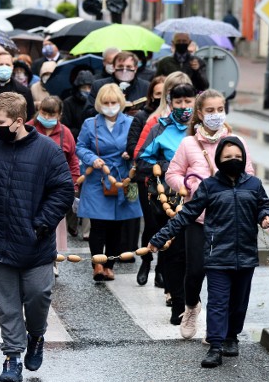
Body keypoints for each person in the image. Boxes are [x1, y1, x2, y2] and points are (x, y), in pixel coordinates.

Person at [148, 136, 269, 368]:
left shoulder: (254, 184)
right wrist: (160, 237)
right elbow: (187, 214)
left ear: (244, 158)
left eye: (237, 156)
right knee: (217, 302)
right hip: (217, 255)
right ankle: (215, 346)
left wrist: (266, 217)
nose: (233, 160)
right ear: (218, 160)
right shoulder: (209, 186)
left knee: (239, 302)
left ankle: (231, 337)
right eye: (228, 157)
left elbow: (264, 206)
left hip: (246, 255)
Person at [0, 92, 73, 382]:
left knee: (38, 296)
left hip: (35, 242)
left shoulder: (48, 150)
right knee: (6, 305)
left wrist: (41, 224)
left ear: (19, 121)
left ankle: (36, 336)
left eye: (0, 122)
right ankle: (12, 358)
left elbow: (63, 192)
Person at [164, 89, 255, 339]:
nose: (216, 115)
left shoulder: (236, 142)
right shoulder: (188, 144)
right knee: (194, 271)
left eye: (219, 109)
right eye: (210, 110)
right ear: (200, 113)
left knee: (224, 277)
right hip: (199, 219)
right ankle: (192, 307)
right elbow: (172, 174)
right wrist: (186, 187)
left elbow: (250, 176)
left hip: (228, 221)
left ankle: (217, 328)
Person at [136, 83, 197, 324]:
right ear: (170, 103)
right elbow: (141, 162)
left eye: (188, 101)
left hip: (198, 202)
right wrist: (163, 165)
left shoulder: (203, 129)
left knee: (195, 256)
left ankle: (193, 300)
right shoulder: (160, 128)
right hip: (167, 200)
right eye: (178, 102)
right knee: (173, 254)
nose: (183, 106)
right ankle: (178, 305)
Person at [76, 83, 142, 281]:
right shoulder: (90, 123)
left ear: (120, 103)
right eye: (106, 102)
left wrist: (130, 153)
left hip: (123, 177)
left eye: (114, 102)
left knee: (117, 225)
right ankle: (97, 263)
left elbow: (139, 147)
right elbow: (80, 146)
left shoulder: (131, 122)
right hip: (98, 177)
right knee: (98, 224)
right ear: (99, 103)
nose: (110, 105)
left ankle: (110, 265)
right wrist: (91, 158)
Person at [26, 96, 80, 276]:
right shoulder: (28, 128)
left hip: (55, 188)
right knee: (30, 222)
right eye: (44, 112)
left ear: (59, 115)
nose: (47, 117)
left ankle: (52, 260)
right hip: (31, 185)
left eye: (52, 114)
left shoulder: (65, 133)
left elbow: (72, 160)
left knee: (53, 225)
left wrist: (72, 185)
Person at [126, 76, 165, 286]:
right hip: (146, 178)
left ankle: (161, 269)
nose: (161, 99)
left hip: (168, 180)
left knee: (165, 225)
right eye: (158, 94)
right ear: (151, 95)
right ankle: (146, 261)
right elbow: (132, 146)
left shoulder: (174, 119)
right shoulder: (142, 117)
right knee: (151, 223)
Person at [84, 51, 150, 119]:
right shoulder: (99, 85)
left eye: (129, 66)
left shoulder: (146, 86)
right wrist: (108, 110)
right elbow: (88, 112)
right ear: (113, 67)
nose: (124, 70)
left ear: (135, 68)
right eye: (120, 66)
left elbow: (152, 111)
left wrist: (140, 114)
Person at [0, 51, 36, 120]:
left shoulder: (24, 91)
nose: (4, 67)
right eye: (0, 65)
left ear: (12, 67)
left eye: (7, 65)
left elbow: (29, 119)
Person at [62, 70, 95, 142]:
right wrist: (82, 132)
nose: (87, 90)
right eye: (84, 87)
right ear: (78, 88)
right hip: (75, 141)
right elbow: (65, 127)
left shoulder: (96, 102)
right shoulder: (68, 103)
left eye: (89, 87)